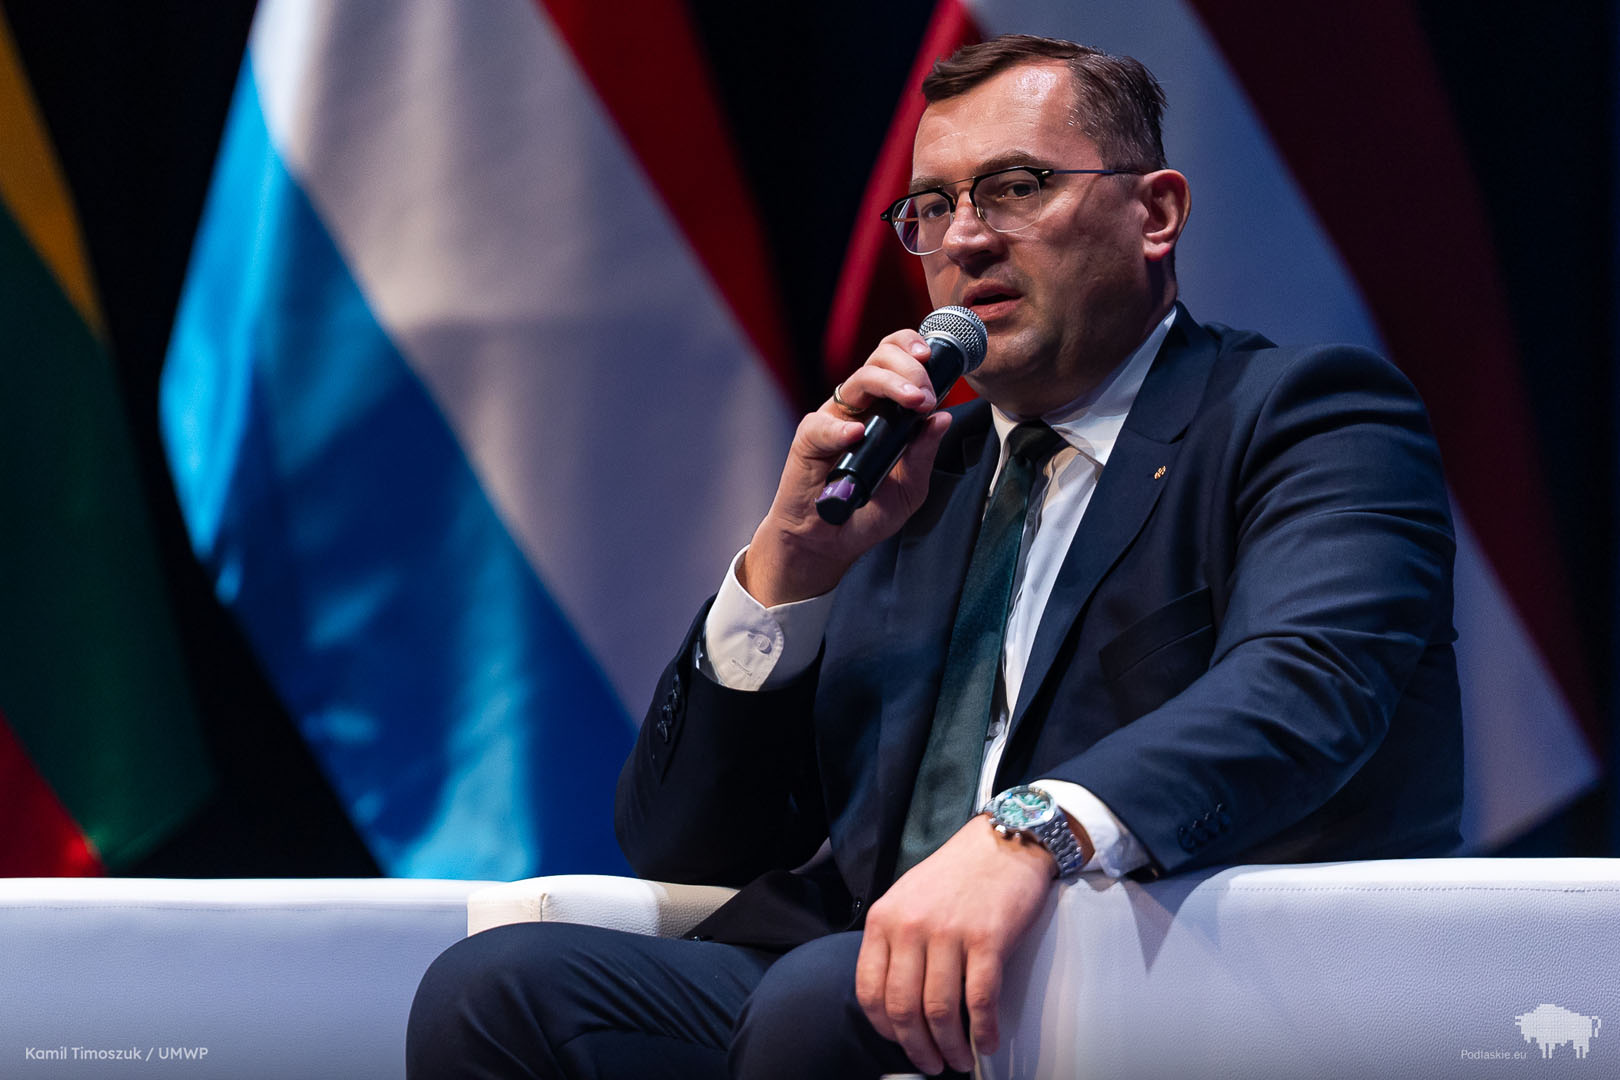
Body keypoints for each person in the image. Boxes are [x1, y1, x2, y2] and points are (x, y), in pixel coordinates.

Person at [407, 34, 1461, 1079]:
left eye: (1014, 188)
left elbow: (1306, 685)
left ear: (1156, 213)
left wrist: (1026, 832)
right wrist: (789, 568)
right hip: (857, 961)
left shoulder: (1306, 417)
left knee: (822, 1003)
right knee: (497, 993)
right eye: (932, 207)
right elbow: (685, 847)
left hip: (1163, 965)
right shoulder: (911, 472)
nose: (965, 239)